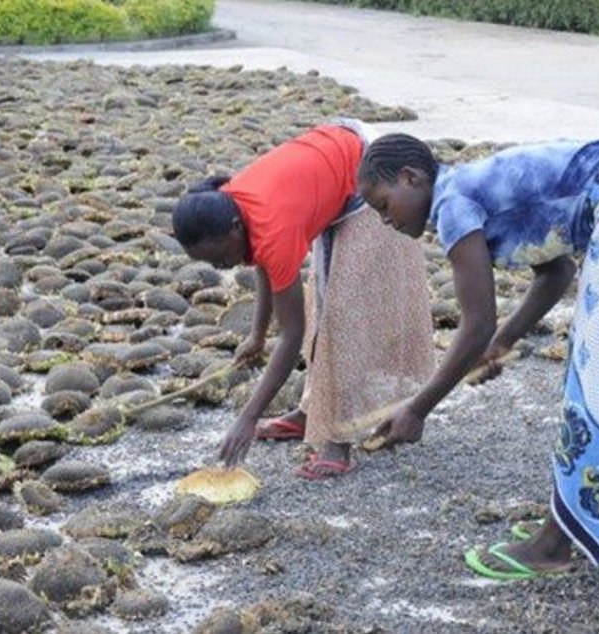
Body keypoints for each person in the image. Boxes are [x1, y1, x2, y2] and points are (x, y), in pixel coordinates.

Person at [357, 133, 599, 577]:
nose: (384, 220)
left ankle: (553, 545)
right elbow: (555, 269)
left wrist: (418, 409)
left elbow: (476, 320)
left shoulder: (452, 203)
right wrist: (502, 343)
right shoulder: (473, 188)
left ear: (411, 178)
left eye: (383, 205)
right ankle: (579, 519)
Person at [172, 121, 433, 479]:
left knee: (342, 316)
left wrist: (246, 419)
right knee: (319, 302)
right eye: (210, 264)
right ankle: (312, 412)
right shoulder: (230, 205)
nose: (220, 266)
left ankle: (337, 440)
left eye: (219, 256)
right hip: (333, 168)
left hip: (365, 174)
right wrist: (257, 335)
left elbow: (291, 334)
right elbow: (262, 261)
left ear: (234, 228)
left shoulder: (270, 226)